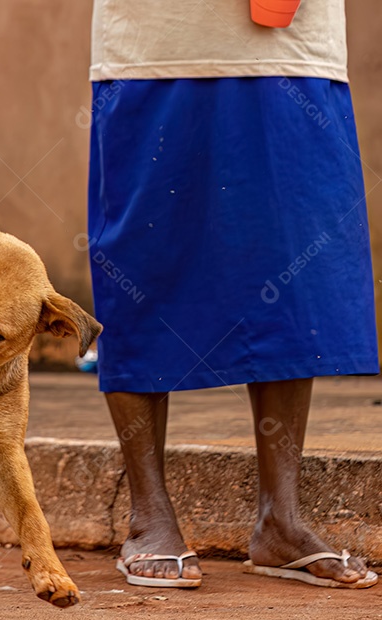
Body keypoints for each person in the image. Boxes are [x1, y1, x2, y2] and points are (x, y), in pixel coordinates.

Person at [87, 0, 378, 589]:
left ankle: (281, 521)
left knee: (295, 261)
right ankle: (149, 516)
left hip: (296, 46)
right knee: (149, 257)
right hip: (163, 44)